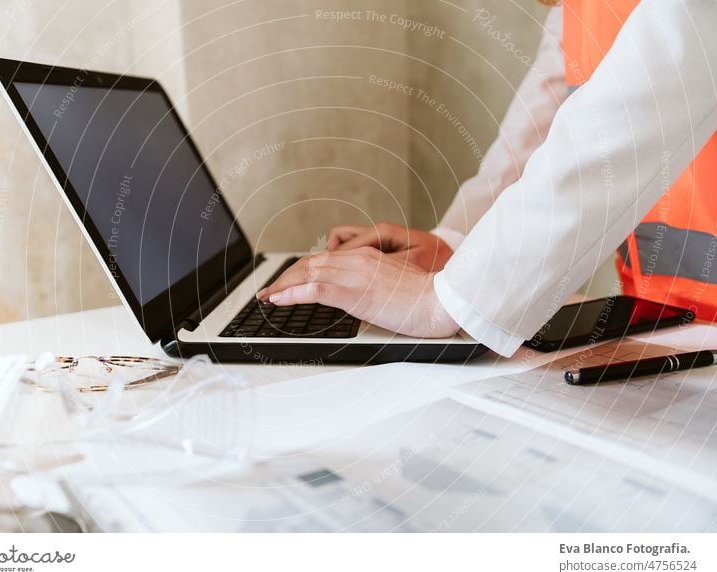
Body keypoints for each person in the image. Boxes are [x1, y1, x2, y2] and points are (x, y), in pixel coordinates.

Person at [258, 0, 717, 357]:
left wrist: (448, 301)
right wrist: (456, 243)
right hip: (665, 330)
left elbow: (636, 112)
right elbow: (542, 128)